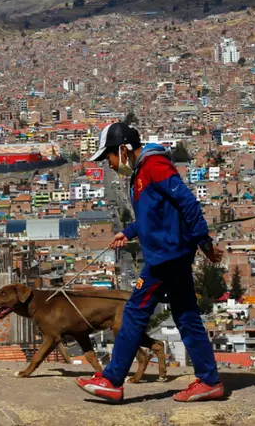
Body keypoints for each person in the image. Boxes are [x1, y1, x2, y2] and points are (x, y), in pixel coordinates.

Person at [76, 122, 224, 403]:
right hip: (171, 252)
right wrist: (129, 231)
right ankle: (209, 380)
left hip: (166, 255)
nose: (108, 163)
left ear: (122, 149)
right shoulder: (142, 172)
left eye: (108, 156)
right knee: (185, 314)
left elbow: (187, 203)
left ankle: (112, 379)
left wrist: (204, 242)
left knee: (134, 311)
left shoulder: (154, 167)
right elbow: (153, 214)